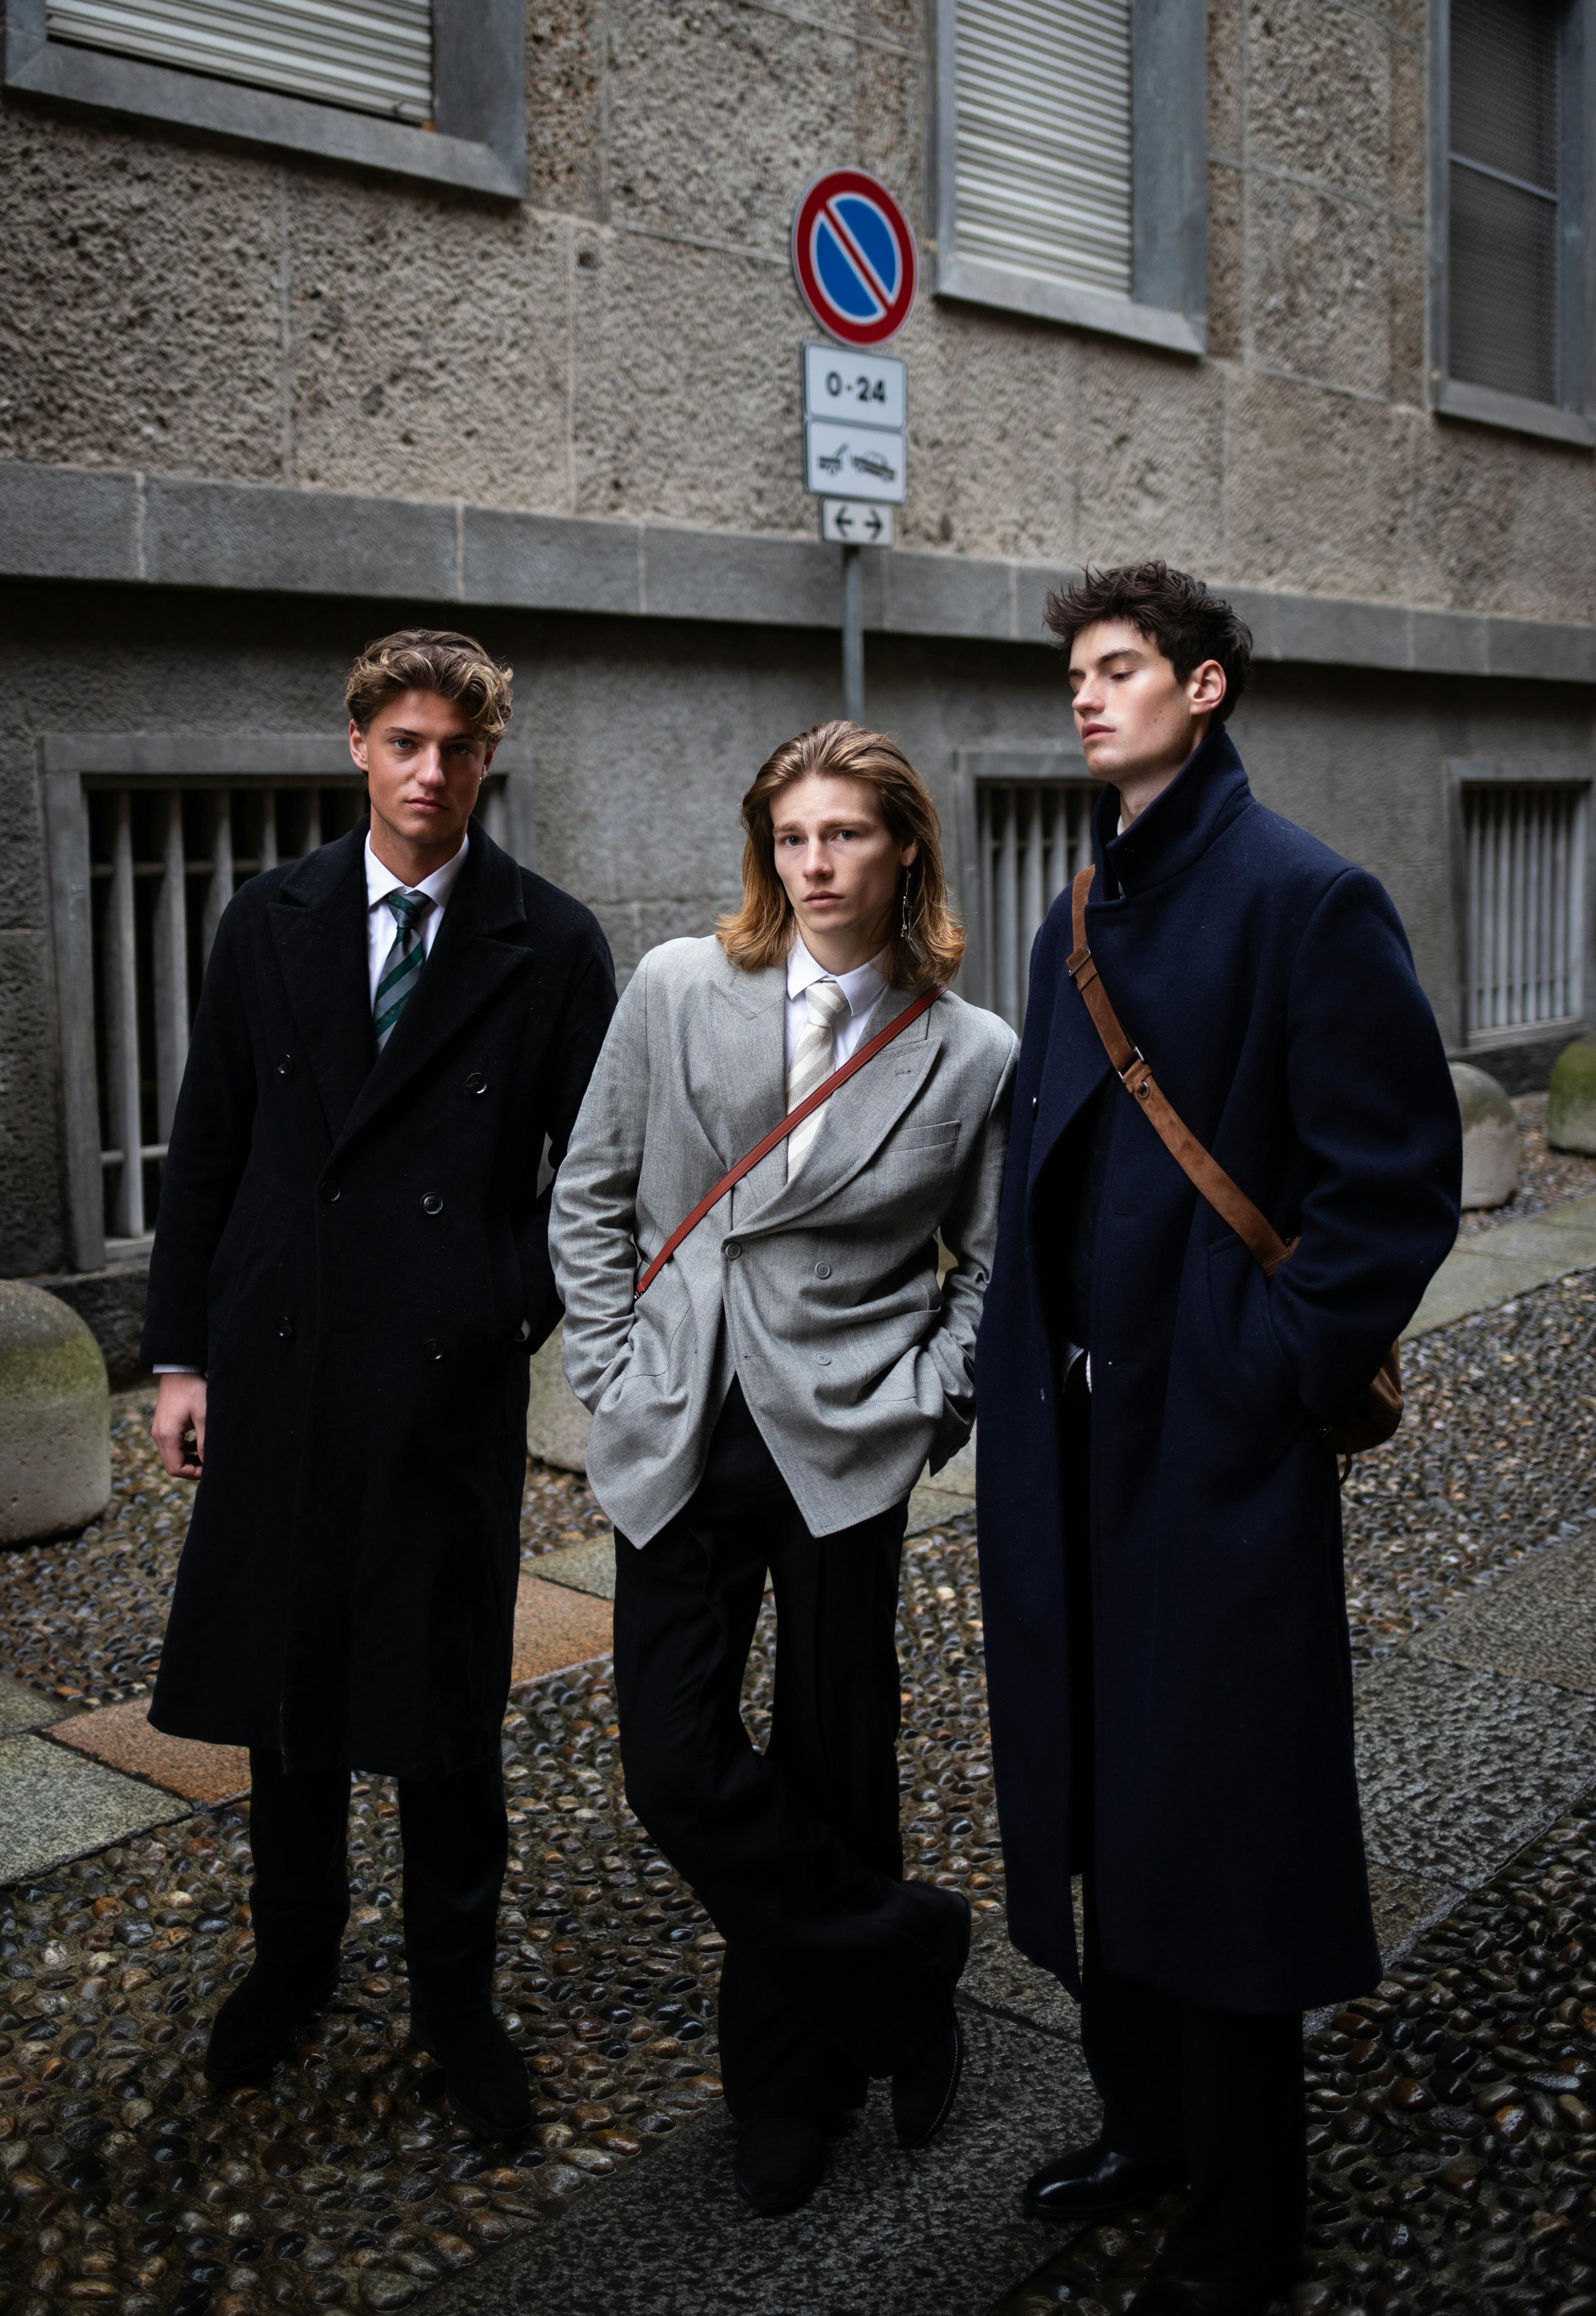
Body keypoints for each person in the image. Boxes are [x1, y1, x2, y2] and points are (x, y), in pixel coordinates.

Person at [976, 564, 1462, 2316]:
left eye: (1122, 670)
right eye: (1078, 674)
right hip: (1064, 1454)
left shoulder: (1303, 897)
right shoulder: (1077, 905)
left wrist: (1250, 1371)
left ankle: (1246, 2213)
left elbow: (1390, 1188)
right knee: (1103, 1803)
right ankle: (1146, 2128)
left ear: (1205, 690)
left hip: (1202, 1455)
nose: (1088, 697)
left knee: (1222, 1832)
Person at [144, 627, 615, 2138]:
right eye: (405, 742)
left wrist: (502, 1309)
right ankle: (293, 1964)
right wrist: (178, 1354)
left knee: (443, 1704)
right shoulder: (262, 922)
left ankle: (455, 2003)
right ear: (358, 745)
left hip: (440, 1385)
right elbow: (206, 1148)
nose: (431, 772)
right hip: (278, 1367)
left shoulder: (551, 940)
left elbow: (595, 1176)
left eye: (459, 748)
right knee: (289, 1694)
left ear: (488, 760)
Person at [549, 721, 1016, 2215]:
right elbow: (593, 1192)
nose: (817, 866)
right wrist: (614, 1372)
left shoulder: (972, 1051)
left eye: (847, 837)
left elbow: (992, 1273)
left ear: (905, 852)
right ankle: (906, 1956)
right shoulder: (682, 984)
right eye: (794, 838)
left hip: (843, 1442)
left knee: (837, 1765)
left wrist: (930, 1406)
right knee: (674, 1765)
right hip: (678, 1422)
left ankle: (791, 2089)